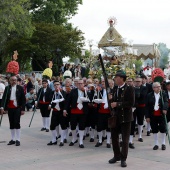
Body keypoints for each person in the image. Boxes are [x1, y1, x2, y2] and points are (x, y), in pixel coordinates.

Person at [109, 70, 135, 168]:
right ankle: (116, 156)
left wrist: (118, 104)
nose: (115, 79)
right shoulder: (115, 88)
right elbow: (112, 103)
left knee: (125, 139)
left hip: (126, 117)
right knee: (114, 138)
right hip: (115, 117)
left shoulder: (129, 88)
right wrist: (111, 100)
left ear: (121, 78)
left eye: (116, 77)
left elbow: (131, 103)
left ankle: (123, 158)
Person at [0, 76, 26, 146]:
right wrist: (2, 107)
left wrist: (23, 109)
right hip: (10, 107)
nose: (14, 81)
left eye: (15, 80)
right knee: (11, 122)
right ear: (10, 81)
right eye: (12, 80)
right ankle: (13, 139)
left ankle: (18, 139)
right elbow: (4, 98)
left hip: (17, 107)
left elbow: (23, 99)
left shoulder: (20, 88)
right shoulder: (7, 88)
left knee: (16, 122)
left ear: (17, 81)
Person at [63, 79, 89, 148]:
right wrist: (65, 109)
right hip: (74, 111)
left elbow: (90, 99)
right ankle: (74, 138)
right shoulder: (73, 91)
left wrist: (85, 92)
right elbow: (68, 101)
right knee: (73, 126)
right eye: (78, 83)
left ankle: (81, 141)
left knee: (81, 126)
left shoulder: (86, 91)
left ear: (84, 84)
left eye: (81, 83)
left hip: (83, 111)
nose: (80, 85)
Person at [145, 82, 168, 150]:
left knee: (163, 129)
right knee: (154, 129)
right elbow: (147, 106)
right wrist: (147, 116)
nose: (159, 88)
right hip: (153, 115)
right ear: (153, 88)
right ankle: (156, 143)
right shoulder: (149, 95)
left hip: (161, 114)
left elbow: (166, 102)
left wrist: (165, 109)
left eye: (159, 86)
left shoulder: (163, 94)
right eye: (157, 87)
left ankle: (163, 143)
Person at [47, 81, 67, 146]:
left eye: (58, 84)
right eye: (55, 85)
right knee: (52, 126)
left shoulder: (63, 93)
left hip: (61, 111)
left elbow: (66, 102)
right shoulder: (52, 93)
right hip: (55, 111)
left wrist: (65, 110)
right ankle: (54, 140)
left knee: (63, 126)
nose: (56, 86)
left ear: (60, 85)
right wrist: (50, 105)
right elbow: (50, 101)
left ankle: (62, 140)